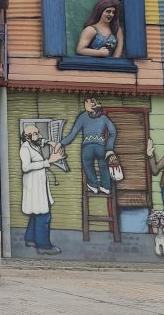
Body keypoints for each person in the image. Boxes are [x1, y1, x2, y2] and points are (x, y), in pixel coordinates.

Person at [20, 124, 64, 255]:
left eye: (38, 133)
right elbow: (25, 167)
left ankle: (30, 239)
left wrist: (51, 142)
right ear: (28, 138)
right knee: (44, 216)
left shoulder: (34, 144)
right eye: (35, 134)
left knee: (35, 213)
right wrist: (48, 161)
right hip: (33, 186)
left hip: (39, 184)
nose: (39, 135)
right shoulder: (25, 149)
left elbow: (41, 141)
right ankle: (44, 246)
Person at [60, 97, 118, 194]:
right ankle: (106, 187)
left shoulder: (83, 117)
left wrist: (61, 143)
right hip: (101, 147)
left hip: (88, 147)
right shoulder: (104, 118)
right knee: (103, 166)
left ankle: (93, 185)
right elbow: (113, 132)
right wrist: (109, 148)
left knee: (87, 164)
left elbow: (73, 133)